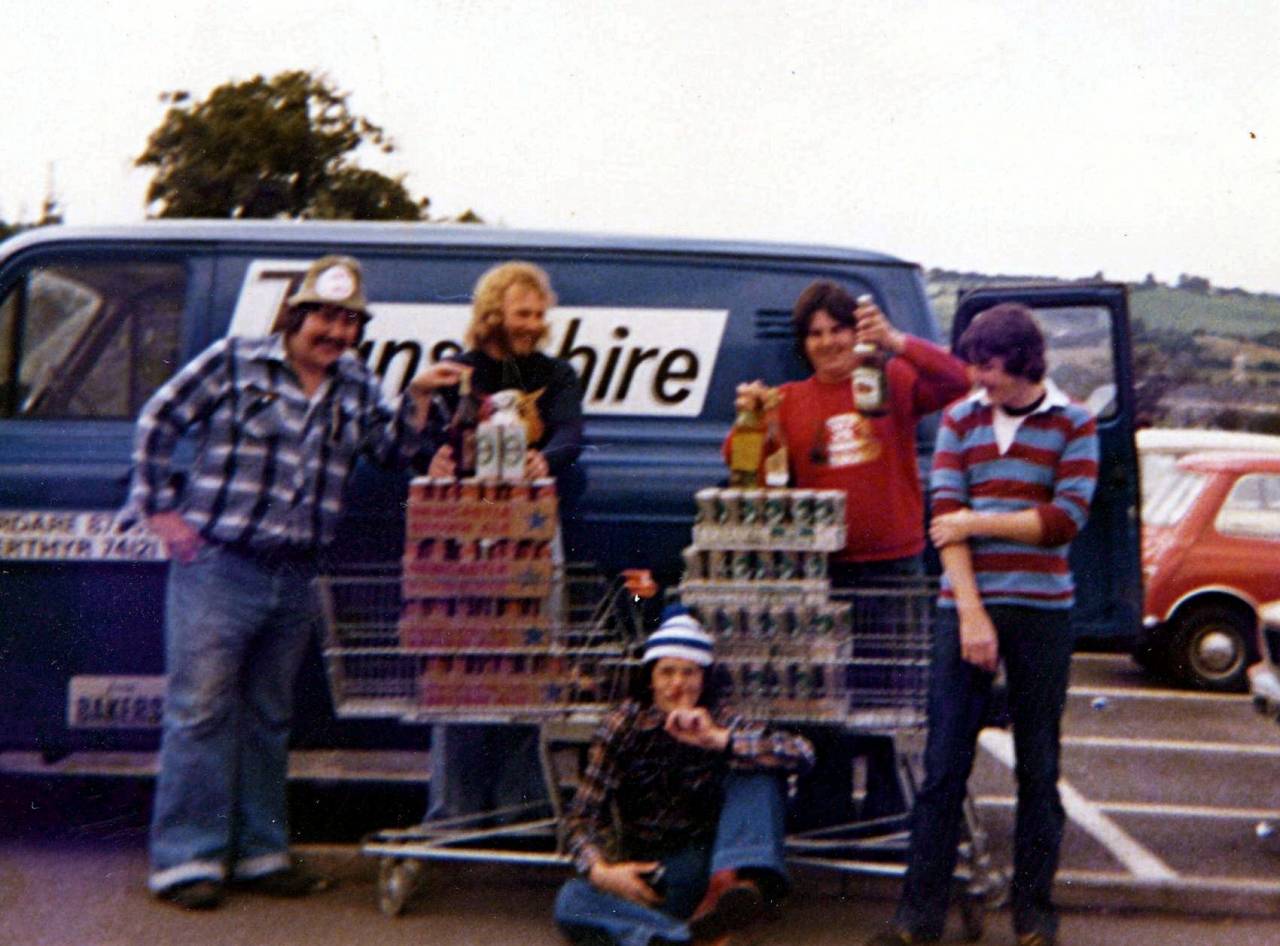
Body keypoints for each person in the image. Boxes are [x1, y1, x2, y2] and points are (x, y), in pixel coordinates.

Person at [123, 255, 465, 910]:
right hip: (221, 564)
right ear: (296, 316)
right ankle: (186, 861)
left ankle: (260, 853)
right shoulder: (233, 360)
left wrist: (418, 399)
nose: (335, 332)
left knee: (269, 716)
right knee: (199, 712)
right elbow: (158, 420)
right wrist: (160, 510)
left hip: (299, 572)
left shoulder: (357, 384)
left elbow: (391, 451)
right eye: (325, 318)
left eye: (348, 321)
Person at [867, 303, 1099, 946]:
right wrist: (970, 613)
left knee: (1038, 769)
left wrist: (979, 521)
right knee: (942, 769)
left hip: (1043, 612)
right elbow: (944, 517)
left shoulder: (1074, 423)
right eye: (972, 364)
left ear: (1023, 363)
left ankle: (1033, 917)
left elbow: (1063, 521)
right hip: (964, 607)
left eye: (988, 366)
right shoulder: (958, 419)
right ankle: (918, 919)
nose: (976, 378)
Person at [732, 280, 970, 827]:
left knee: (888, 693)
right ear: (803, 343)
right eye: (815, 334)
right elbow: (740, 465)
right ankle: (826, 807)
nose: (827, 342)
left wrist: (895, 340)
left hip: (893, 565)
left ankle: (887, 808)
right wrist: (750, 416)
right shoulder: (787, 400)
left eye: (837, 329)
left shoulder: (891, 380)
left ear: (853, 332)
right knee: (821, 696)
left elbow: (959, 380)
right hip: (819, 572)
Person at [425, 260, 585, 822]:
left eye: (540, 314)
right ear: (494, 312)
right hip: (466, 529)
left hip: (532, 525)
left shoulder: (556, 373)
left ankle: (524, 813)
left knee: (530, 662)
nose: (533, 324)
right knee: (460, 669)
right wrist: (437, 454)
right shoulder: (458, 371)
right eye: (523, 313)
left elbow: (571, 432)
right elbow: (425, 438)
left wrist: (548, 456)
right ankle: (454, 816)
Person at [553, 607, 814, 946]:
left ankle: (731, 894)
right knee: (571, 900)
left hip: (711, 860)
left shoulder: (719, 717)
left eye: (689, 673)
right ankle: (687, 937)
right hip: (651, 864)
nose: (678, 685)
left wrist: (719, 740)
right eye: (668, 673)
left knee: (758, 771)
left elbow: (802, 753)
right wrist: (602, 872)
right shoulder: (623, 725)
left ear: (703, 679)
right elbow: (580, 816)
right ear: (651, 678)